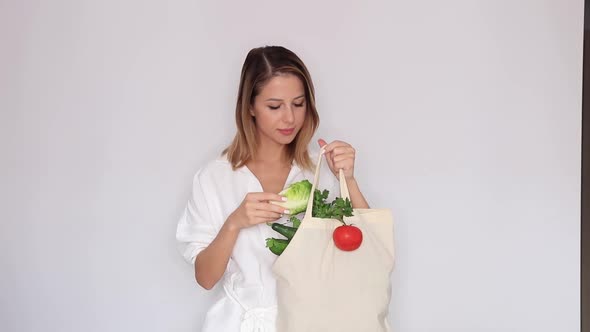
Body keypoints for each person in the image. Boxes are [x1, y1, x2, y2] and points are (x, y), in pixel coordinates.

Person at [176, 45, 370, 332]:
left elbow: (368, 253)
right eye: (275, 106)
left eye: (299, 103)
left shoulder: (320, 170)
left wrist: (348, 180)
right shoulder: (215, 177)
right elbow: (205, 278)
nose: (290, 118)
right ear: (250, 107)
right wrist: (234, 223)